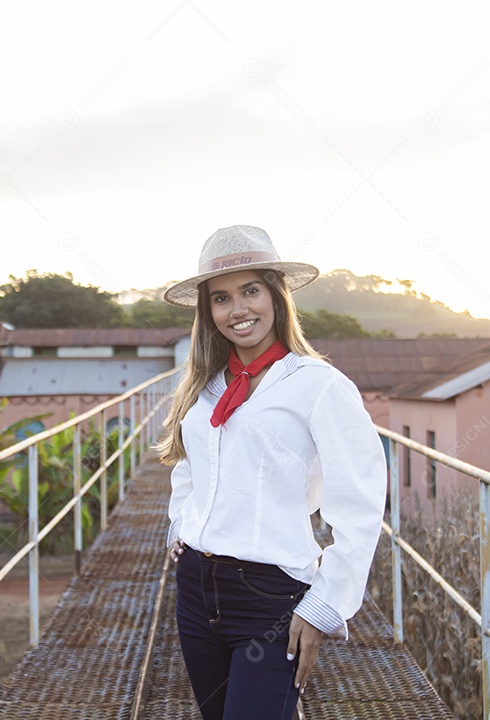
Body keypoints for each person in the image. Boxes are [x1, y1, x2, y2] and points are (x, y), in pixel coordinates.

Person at [155, 225, 388, 720]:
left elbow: (361, 502)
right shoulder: (205, 386)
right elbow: (189, 465)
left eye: (251, 290)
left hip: (269, 596)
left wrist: (324, 603)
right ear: (208, 311)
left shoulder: (319, 386)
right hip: (195, 587)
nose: (238, 309)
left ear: (276, 297)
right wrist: (182, 522)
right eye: (222, 298)